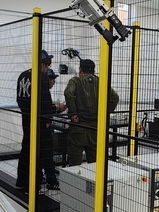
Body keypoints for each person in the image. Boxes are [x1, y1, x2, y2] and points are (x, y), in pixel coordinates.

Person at [15, 50, 64, 191]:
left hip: (26, 119)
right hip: (40, 123)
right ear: (43, 64)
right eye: (47, 65)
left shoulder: (23, 75)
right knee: (44, 151)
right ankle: (36, 186)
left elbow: (19, 100)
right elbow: (45, 104)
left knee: (26, 149)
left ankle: (21, 182)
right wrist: (54, 111)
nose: (47, 69)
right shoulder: (41, 77)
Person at [64, 59, 119, 166]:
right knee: (95, 163)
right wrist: (105, 113)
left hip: (78, 128)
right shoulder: (101, 82)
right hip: (96, 128)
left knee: (74, 163)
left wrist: (73, 113)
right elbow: (115, 97)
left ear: (80, 70)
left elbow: (68, 93)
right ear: (93, 71)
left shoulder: (75, 81)